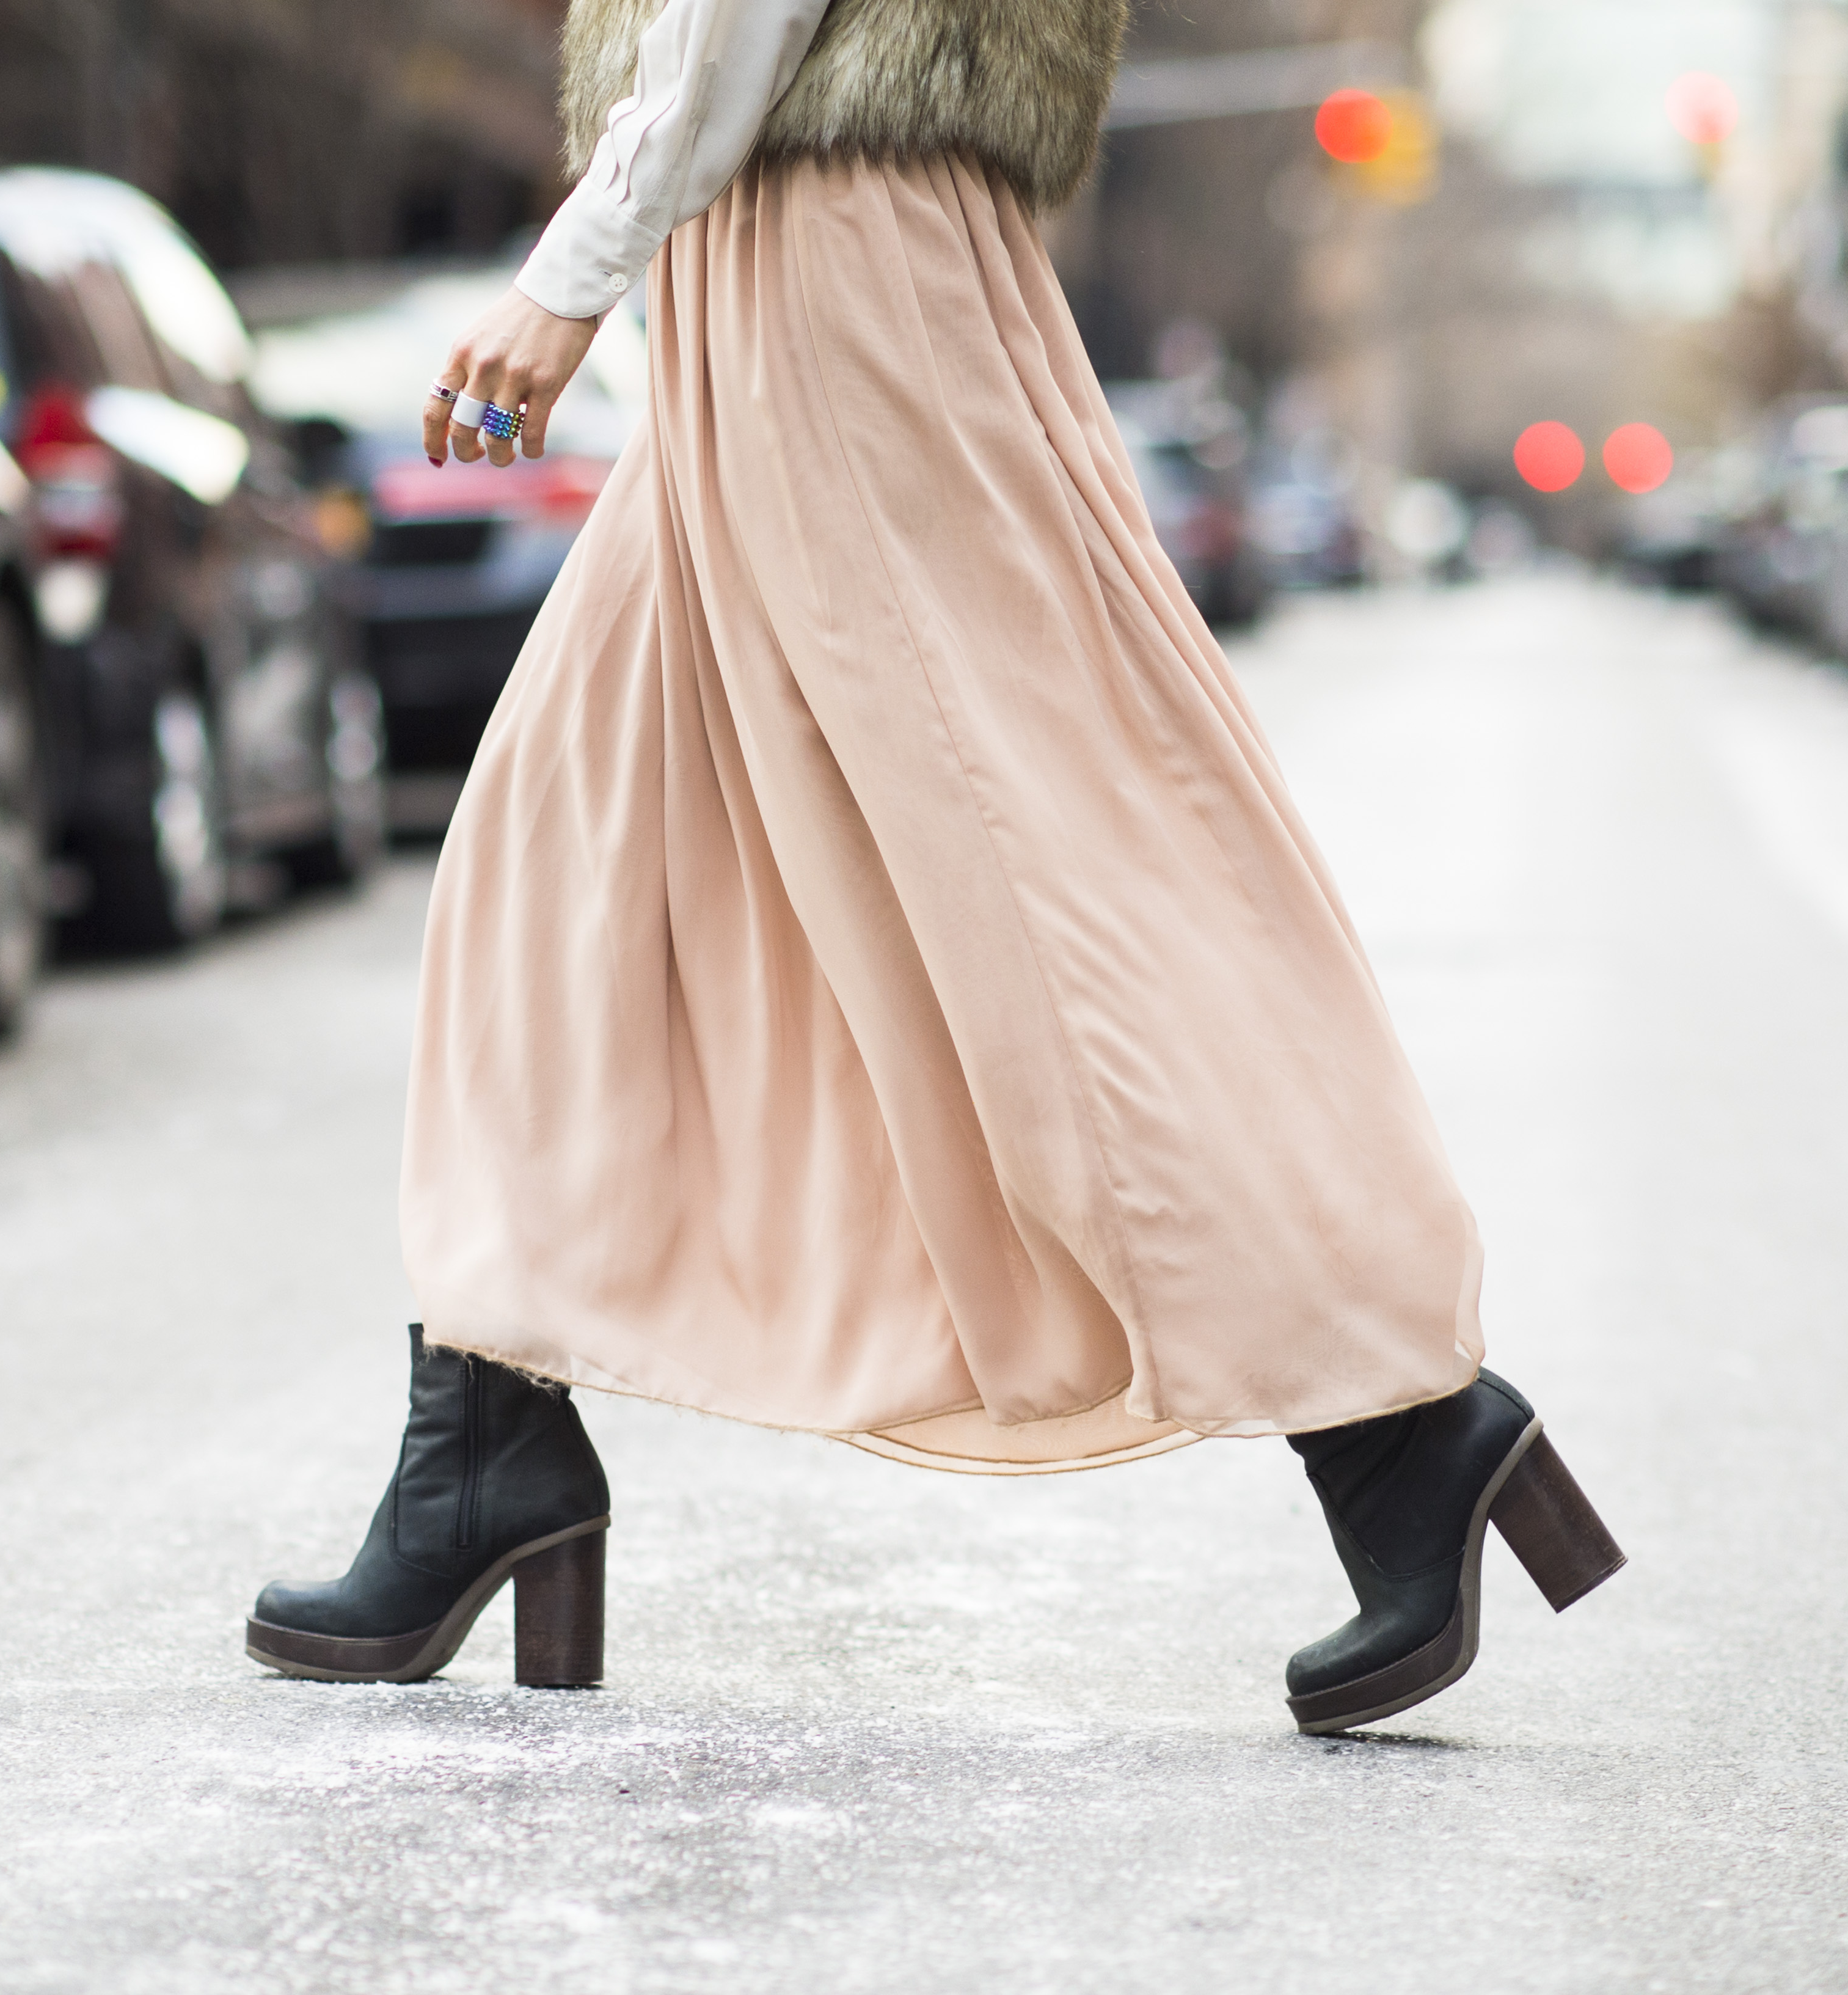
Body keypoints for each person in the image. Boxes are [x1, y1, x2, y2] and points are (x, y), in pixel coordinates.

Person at [243, 0, 1624, 1735]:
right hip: (775, 257)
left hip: (828, 255)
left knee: (1025, 895)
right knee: (559, 836)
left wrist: (572, 269)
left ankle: (1402, 1436)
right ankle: (487, 1437)